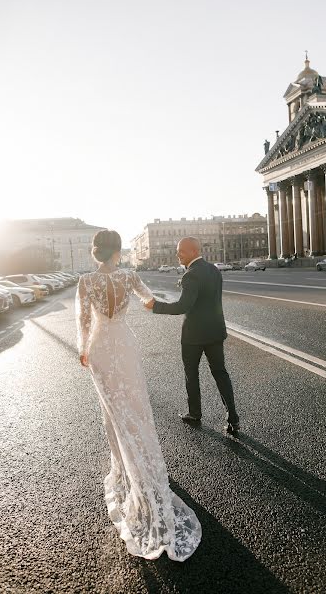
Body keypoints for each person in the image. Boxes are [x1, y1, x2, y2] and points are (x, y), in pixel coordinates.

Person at [75, 229, 201, 561]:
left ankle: (124, 464)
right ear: (118, 252)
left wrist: (83, 351)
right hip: (125, 345)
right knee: (136, 406)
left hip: (101, 348)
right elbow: (149, 302)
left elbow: (84, 321)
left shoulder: (86, 281)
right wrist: (183, 304)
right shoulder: (130, 276)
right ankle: (143, 463)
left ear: (95, 253)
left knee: (113, 412)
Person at [145, 237, 240, 433]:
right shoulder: (214, 269)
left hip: (193, 336)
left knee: (192, 374)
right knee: (221, 374)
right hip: (215, 331)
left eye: (181, 251)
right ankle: (233, 417)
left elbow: (183, 306)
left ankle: (195, 413)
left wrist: (156, 306)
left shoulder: (191, 275)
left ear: (194, 252)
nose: (177, 254)